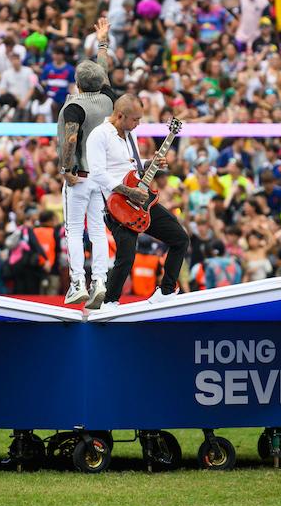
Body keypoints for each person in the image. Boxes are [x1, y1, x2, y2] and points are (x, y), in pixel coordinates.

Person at [87, 95, 189, 310]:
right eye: (135, 119)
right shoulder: (99, 135)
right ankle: (109, 302)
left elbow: (130, 165)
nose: (138, 124)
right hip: (116, 204)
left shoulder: (129, 134)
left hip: (139, 200)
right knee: (126, 257)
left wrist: (150, 163)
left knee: (180, 238)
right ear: (120, 115)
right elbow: (96, 173)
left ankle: (166, 291)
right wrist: (128, 192)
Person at [57, 16, 115, 308]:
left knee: (73, 230)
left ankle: (77, 282)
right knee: (96, 230)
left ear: (78, 83)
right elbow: (102, 73)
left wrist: (66, 169)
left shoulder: (74, 106)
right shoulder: (107, 100)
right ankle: (100, 281)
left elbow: (70, 139)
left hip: (78, 175)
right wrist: (102, 43)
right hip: (99, 177)